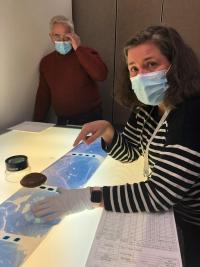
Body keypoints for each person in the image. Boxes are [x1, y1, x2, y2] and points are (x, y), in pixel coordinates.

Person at [32, 26, 200, 266]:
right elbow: (131, 152)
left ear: (176, 65)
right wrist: (110, 132)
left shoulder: (191, 113)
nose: (141, 75)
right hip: (172, 212)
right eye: (134, 69)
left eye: (151, 64)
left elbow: (158, 194)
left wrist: (86, 198)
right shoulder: (148, 105)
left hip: (191, 221)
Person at [33, 15, 107, 126]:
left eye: (66, 36)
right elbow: (43, 95)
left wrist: (78, 48)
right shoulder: (46, 62)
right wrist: (36, 123)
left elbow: (101, 75)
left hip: (91, 118)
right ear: (51, 37)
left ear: (73, 36)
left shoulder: (86, 53)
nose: (61, 40)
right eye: (57, 36)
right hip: (63, 121)